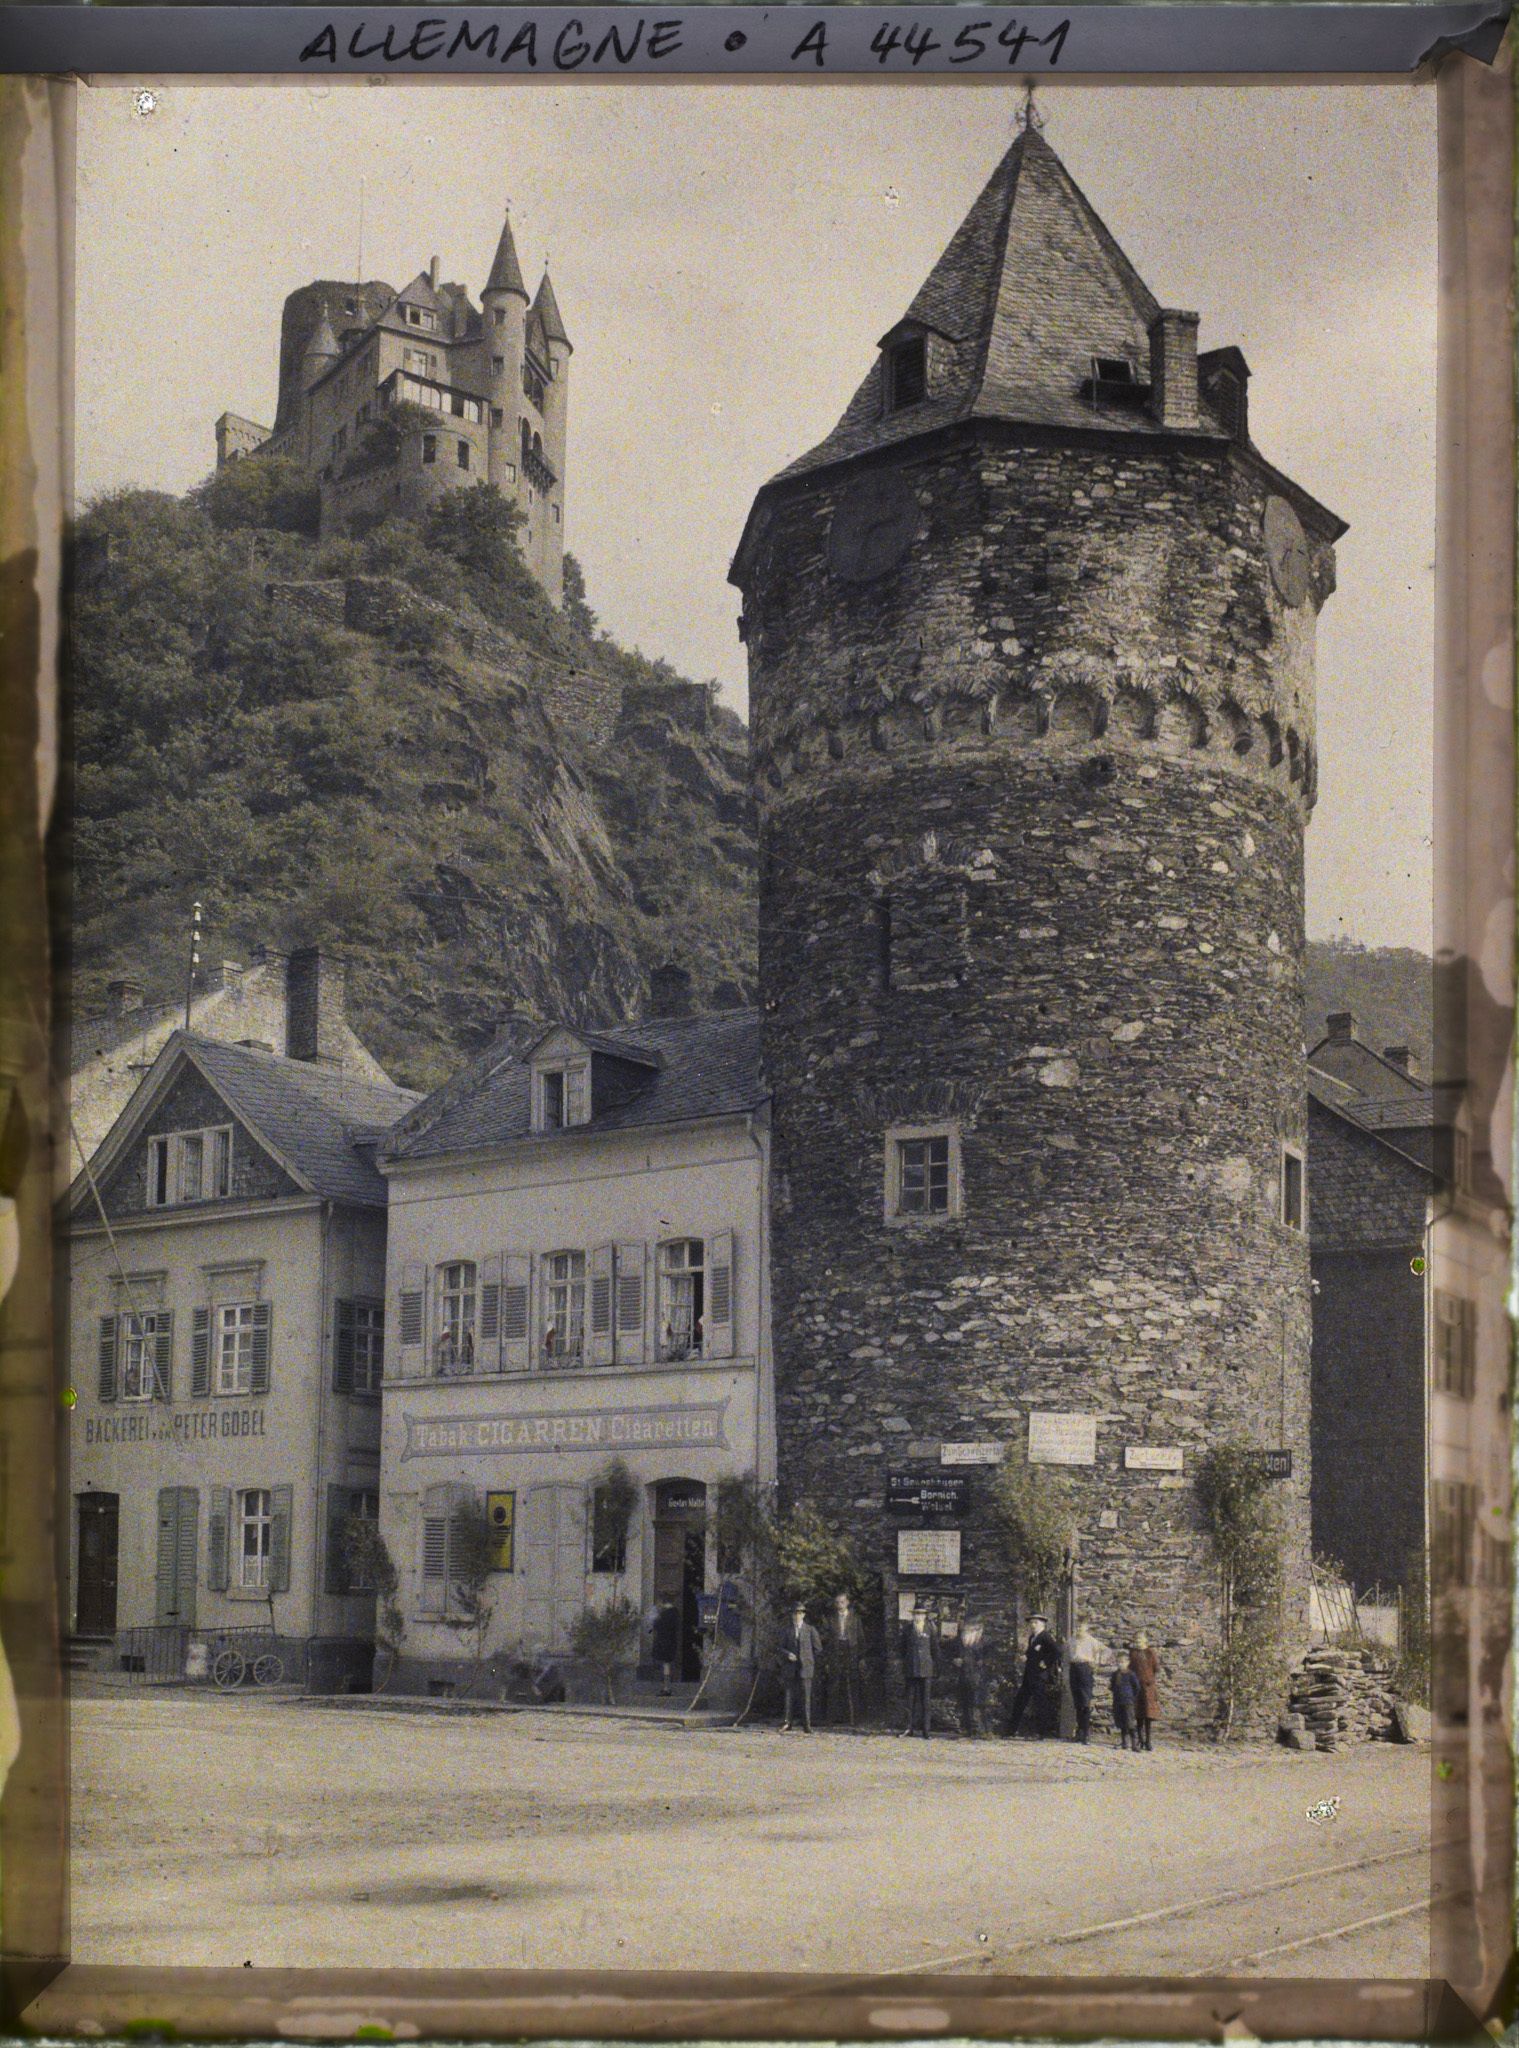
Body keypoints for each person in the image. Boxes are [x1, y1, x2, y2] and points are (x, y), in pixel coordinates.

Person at [1005, 1614, 1063, 1739]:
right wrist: (1026, 1656)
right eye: (1031, 1623)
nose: (1032, 1625)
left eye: (1035, 1623)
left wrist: (1045, 1663)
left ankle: (1041, 1733)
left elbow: (1057, 1652)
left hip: (1039, 1675)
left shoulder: (1046, 1636)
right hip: (1029, 1674)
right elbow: (1032, 1653)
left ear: (1042, 1624)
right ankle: (1011, 1730)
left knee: (1040, 1702)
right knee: (1020, 1700)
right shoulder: (1033, 1637)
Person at [824, 1591, 865, 1727]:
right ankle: (833, 1719)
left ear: (847, 1603)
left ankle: (854, 1719)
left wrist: (861, 1657)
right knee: (835, 1684)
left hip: (851, 1652)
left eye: (842, 1602)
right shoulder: (831, 1618)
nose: (839, 1605)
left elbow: (860, 1638)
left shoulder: (855, 1618)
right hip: (836, 1652)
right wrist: (828, 1659)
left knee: (852, 1684)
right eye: (837, 1603)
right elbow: (827, 1640)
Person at [780, 1602, 822, 1731]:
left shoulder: (810, 1630)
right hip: (790, 1668)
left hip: (805, 1668)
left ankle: (807, 1725)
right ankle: (787, 1723)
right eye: (794, 1613)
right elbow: (779, 1648)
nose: (797, 1616)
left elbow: (818, 1649)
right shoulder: (787, 1630)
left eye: (799, 1613)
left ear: (803, 1615)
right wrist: (787, 1654)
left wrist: (808, 1660)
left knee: (806, 1697)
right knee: (789, 1696)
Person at [904, 1606, 937, 1738]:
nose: (918, 1616)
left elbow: (935, 1648)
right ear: (913, 1615)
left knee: (926, 1701)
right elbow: (902, 1648)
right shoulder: (907, 1629)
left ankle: (926, 1731)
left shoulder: (931, 1629)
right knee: (910, 1700)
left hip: (926, 1669)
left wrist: (934, 1666)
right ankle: (909, 1728)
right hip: (911, 1668)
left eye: (921, 1614)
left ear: (925, 1616)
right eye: (916, 1614)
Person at [1067, 1622, 1100, 1744]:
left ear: (1086, 1628)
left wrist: (1093, 1666)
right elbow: (1068, 1655)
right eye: (1076, 1626)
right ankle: (1079, 1732)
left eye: (1080, 1626)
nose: (1078, 1629)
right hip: (1074, 1668)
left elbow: (1098, 1656)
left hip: (1085, 1668)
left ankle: (1086, 1733)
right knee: (1077, 1702)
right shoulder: (1071, 1640)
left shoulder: (1092, 1641)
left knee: (1085, 1701)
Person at [955, 1619, 987, 1738]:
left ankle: (978, 1729)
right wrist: (955, 1660)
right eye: (967, 1628)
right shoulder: (961, 1641)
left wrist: (981, 1662)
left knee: (976, 1702)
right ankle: (967, 1728)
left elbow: (985, 1658)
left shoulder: (981, 1642)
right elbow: (953, 1652)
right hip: (964, 1674)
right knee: (965, 1701)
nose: (968, 1630)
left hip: (977, 1676)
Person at [1129, 1631, 1161, 1751]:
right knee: (1138, 1714)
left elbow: (1156, 1668)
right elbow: (1130, 1668)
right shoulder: (1133, 1653)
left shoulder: (1150, 1653)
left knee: (1148, 1714)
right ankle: (1140, 1739)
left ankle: (1148, 1740)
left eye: (1140, 1639)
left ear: (1145, 1641)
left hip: (1148, 1687)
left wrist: (1149, 1679)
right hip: (1137, 1687)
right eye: (1136, 1640)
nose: (1138, 1642)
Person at [1109, 1650, 1140, 1749]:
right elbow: (1112, 1686)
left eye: (1122, 1662)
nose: (1120, 1664)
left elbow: (1136, 1687)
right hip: (1118, 1700)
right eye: (1118, 1662)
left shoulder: (1131, 1674)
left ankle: (1134, 1743)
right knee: (1121, 1721)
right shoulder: (1115, 1674)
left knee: (1129, 1721)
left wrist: (1131, 1697)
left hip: (1128, 1701)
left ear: (1128, 1662)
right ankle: (1124, 1742)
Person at [650, 1597, 680, 1697]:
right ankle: (668, 1686)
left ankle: (666, 1688)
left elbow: (656, 1626)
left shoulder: (663, 1614)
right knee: (668, 1664)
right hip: (672, 1641)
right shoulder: (675, 1613)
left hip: (663, 1642)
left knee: (665, 1665)